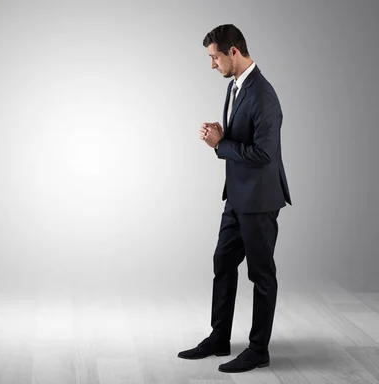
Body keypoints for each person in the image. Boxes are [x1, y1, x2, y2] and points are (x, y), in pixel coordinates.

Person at [177, 24, 292, 373]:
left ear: (233, 52)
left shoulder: (264, 95)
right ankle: (219, 337)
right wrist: (223, 134)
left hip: (259, 200)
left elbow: (265, 155)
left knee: (261, 274)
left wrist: (221, 146)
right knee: (223, 264)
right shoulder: (235, 86)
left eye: (214, 57)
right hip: (237, 197)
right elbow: (247, 138)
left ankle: (259, 350)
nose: (212, 65)